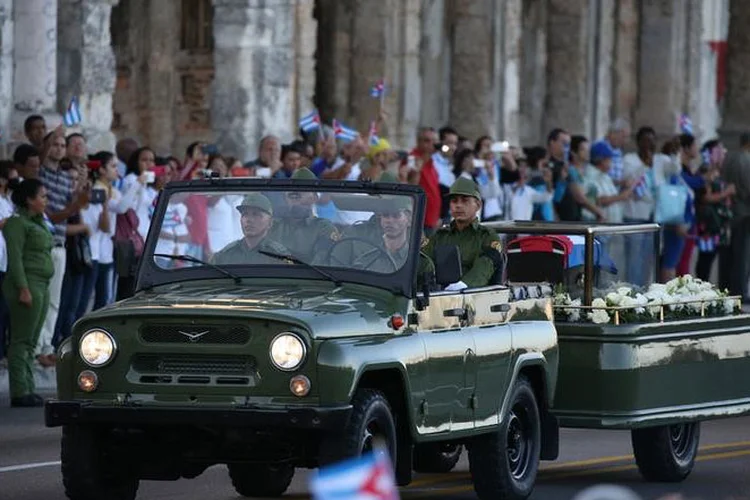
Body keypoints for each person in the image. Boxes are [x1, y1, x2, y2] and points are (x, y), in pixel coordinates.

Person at [3, 179, 53, 407]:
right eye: (42, 196)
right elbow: (15, 259)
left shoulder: (38, 221)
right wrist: (23, 288)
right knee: (21, 340)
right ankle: (19, 390)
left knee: (31, 340)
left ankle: (29, 388)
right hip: (28, 284)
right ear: (29, 200)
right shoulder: (16, 223)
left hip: (42, 283)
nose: (45, 200)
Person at [423, 177, 503, 290]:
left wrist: (464, 285)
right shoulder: (440, 236)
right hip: (440, 298)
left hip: (475, 299)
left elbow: (485, 265)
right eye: (454, 201)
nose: (458, 205)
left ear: (478, 205)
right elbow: (423, 262)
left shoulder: (487, 236)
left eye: (465, 200)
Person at [269, 168, 338, 262]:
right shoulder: (272, 225)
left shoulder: (323, 228)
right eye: (291, 194)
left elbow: (321, 265)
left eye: (299, 193)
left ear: (314, 198)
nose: (294, 199)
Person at [212, 193, 290, 265]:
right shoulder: (225, 255)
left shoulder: (279, 255)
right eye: (245, 214)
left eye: (256, 214)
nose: (249, 220)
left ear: (270, 223)